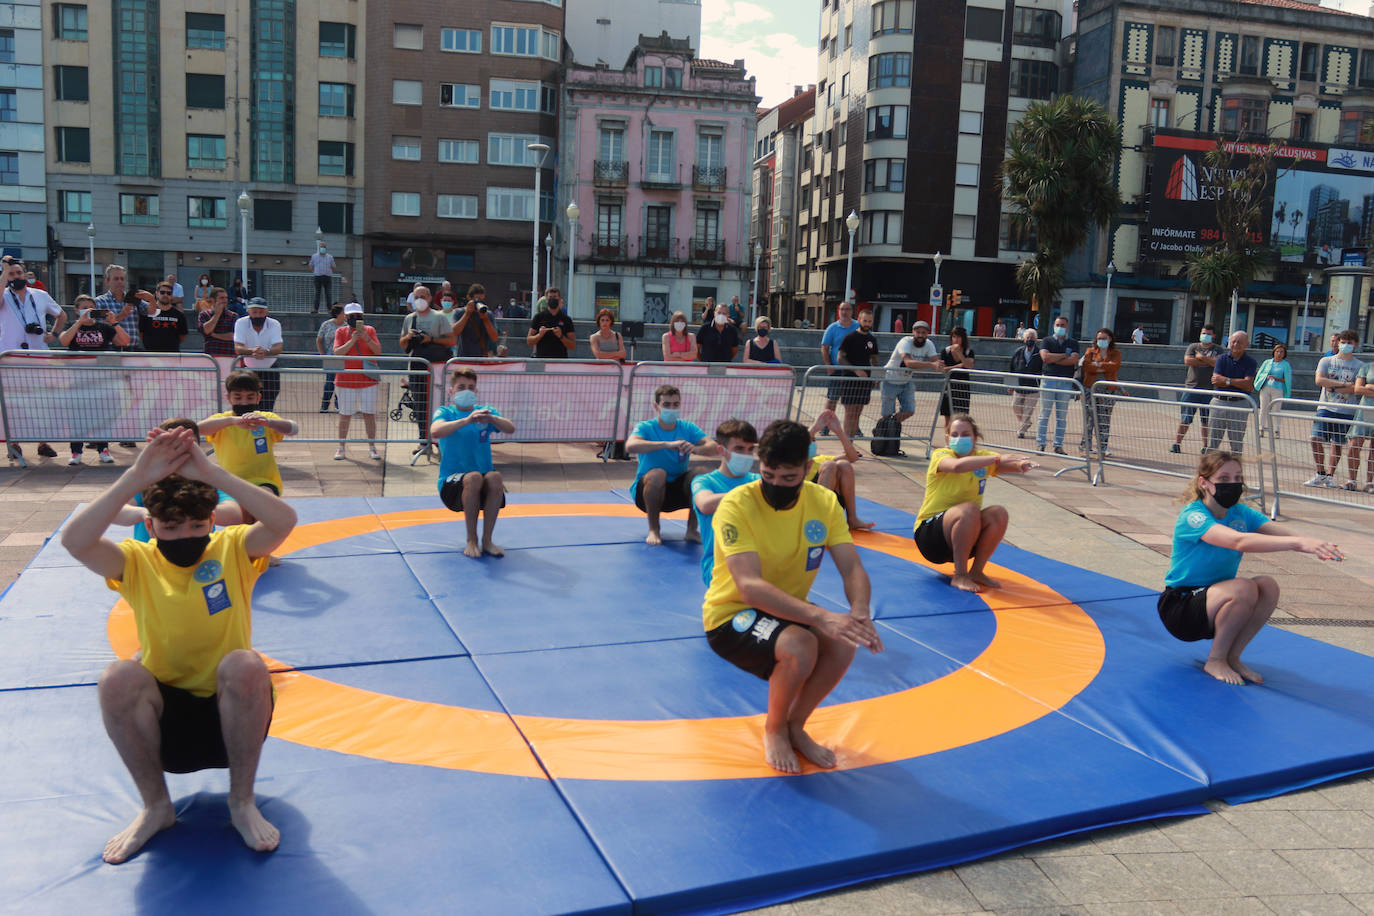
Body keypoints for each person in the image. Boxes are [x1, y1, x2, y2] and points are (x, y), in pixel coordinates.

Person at [60, 424, 297, 864]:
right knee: (117, 676)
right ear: (150, 526)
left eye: (196, 524)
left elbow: (284, 520)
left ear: (212, 521)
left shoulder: (232, 548)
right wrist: (136, 477)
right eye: (170, 527)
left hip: (232, 717)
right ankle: (156, 807)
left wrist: (213, 474)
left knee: (246, 664)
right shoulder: (136, 560)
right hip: (165, 723)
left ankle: (241, 802)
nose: (185, 534)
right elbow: (74, 541)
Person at [701, 418, 884, 774]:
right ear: (760, 464)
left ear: (808, 468)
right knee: (802, 644)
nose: (776, 486)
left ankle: (795, 725)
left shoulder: (824, 502)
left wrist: (859, 611)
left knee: (843, 640)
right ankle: (774, 729)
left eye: (788, 478)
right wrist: (820, 616)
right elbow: (748, 586)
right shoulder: (737, 504)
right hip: (732, 614)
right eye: (768, 476)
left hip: (787, 609)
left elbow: (851, 567)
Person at [1159, 451, 1342, 685]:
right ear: (1204, 483)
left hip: (1215, 601)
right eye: (1223, 479)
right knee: (1244, 588)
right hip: (1180, 607)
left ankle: (1232, 657)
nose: (1232, 484)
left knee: (1267, 586)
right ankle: (1215, 660)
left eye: (1237, 478)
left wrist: (1314, 544)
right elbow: (1238, 541)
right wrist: (1298, 543)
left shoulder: (1241, 512)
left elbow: (1281, 533)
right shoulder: (1194, 516)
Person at [914, 413, 1038, 593]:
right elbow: (958, 466)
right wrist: (997, 458)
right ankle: (960, 575)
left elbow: (1008, 464)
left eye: (965, 434)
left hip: (963, 535)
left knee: (998, 513)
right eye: (955, 435)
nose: (959, 438)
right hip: (931, 538)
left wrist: (1022, 465)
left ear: (975, 438)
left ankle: (976, 571)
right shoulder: (941, 455)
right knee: (970, 509)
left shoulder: (983, 458)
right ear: (947, 438)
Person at [432, 367, 516, 557]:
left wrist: (492, 418)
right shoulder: (446, 412)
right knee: (474, 477)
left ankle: (487, 540)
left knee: (494, 477)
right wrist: (466, 421)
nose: (467, 391)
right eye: (461, 387)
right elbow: (435, 431)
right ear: (451, 391)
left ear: (476, 391)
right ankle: (471, 539)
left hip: (482, 480)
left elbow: (510, 428)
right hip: (452, 483)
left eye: (471, 387)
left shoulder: (485, 412)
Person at [625, 384, 715, 545]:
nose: (671, 409)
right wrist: (666, 444)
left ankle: (692, 530)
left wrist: (696, 449)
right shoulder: (645, 427)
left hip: (677, 490)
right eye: (666, 405)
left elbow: (713, 447)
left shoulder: (687, 427)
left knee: (702, 473)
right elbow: (630, 446)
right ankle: (654, 529)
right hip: (648, 491)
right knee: (658, 473)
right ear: (656, 406)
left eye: (675, 404)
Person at [199, 369, 299, 503]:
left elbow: (293, 428)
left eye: (250, 397)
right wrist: (231, 421)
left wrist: (268, 423)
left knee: (263, 502)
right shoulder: (221, 421)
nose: (244, 403)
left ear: (258, 398)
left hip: (264, 482)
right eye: (238, 397)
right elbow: (198, 429)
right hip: (231, 484)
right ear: (228, 398)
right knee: (232, 513)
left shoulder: (266, 418)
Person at [1, 259, 65, 459]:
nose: (16, 276)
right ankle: (14, 444)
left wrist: (53, 335)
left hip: (38, 355)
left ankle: (43, 442)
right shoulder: (3, 295)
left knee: (42, 402)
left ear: (25, 274)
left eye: (18, 272)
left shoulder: (40, 295)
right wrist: (4, 272)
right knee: (12, 404)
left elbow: (61, 315)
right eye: (11, 274)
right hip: (10, 358)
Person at [58, 295, 130, 465]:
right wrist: (79, 323)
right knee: (77, 417)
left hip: (101, 381)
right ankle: (76, 453)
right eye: (84, 308)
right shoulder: (72, 327)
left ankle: (103, 449)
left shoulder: (104, 328)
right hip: (77, 381)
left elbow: (125, 341)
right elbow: (63, 340)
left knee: (101, 416)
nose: (88, 311)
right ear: (77, 310)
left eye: (92, 308)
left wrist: (114, 322)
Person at [691, 419, 760, 585]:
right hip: (720, 569)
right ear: (722, 450)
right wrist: (752, 492)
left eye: (750, 449)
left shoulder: (757, 480)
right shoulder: (705, 481)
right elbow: (705, 504)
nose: (746, 455)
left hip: (759, 564)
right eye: (739, 449)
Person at [401, 286, 456, 456]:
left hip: (438, 367)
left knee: (439, 403)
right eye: (416, 296)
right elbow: (403, 344)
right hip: (418, 366)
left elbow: (452, 340)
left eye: (423, 296)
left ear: (430, 298)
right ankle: (423, 441)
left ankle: (440, 441)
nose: (420, 299)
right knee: (420, 404)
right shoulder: (409, 318)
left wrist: (430, 339)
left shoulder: (439, 317)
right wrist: (409, 337)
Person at [1307, 328, 1365, 487]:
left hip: (1347, 410)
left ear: (1355, 345)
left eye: (1349, 343)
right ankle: (1320, 472)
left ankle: (1331, 475)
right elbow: (1320, 381)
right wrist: (1343, 384)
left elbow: (1356, 388)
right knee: (1315, 438)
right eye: (1343, 342)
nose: (1345, 345)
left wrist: (1332, 386)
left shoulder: (1360, 365)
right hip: (1326, 407)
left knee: (1337, 444)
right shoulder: (1326, 361)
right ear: (1338, 343)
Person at [807, 408, 873, 530]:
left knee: (844, 464)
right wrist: (814, 428)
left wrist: (839, 431)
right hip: (806, 507)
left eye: (813, 440)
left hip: (829, 503)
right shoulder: (791, 462)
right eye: (808, 440)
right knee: (830, 465)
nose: (811, 443)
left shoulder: (820, 460)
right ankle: (818, 520)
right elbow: (792, 446)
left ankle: (852, 519)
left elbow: (853, 457)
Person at [332, 303, 382, 461]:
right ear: (346, 317)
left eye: (358, 316)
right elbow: (337, 352)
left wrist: (366, 338)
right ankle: (341, 447)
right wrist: (353, 340)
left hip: (368, 379)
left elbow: (378, 351)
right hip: (346, 380)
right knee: (345, 415)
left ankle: (372, 447)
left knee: (369, 414)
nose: (355, 319)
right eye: (352, 316)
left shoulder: (370, 330)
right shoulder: (340, 331)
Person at [880, 319, 940, 436]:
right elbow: (908, 362)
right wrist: (932, 365)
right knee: (886, 414)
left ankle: (891, 425)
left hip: (906, 382)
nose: (920, 335)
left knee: (909, 411)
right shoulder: (905, 342)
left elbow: (936, 362)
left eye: (923, 333)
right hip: (890, 380)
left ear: (927, 333)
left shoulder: (929, 344)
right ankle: (884, 431)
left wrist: (953, 366)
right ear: (913, 332)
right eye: (918, 332)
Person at [1206, 331, 1257, 456]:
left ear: (1247, 344)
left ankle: (1235, 470)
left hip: (1239, 404)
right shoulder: (1221, 359)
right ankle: (1208, 471)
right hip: (1219, 402)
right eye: (1233, 341)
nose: (1235, 344)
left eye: (1239, 342)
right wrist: (1237, 382)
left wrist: (1226, 380)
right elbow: (1216, 381)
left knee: (1236, 443)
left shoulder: (1251, 362)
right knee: (1212, 441)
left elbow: (1248, 385)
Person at [1172, 325, 1220, 455]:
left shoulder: (1218, 349)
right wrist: (1208, 361)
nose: (1205, 335)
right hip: (1192, 388)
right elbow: (1188, 361)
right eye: (1203, 333)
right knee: (1185, 418)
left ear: (1213, 335)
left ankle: (1205, 445)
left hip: (1209, 390)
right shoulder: (1193, 347)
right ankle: (1177, 443)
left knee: (1206, 420)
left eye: (1208, 334)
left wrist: (1201, 358)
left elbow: (1217, 363)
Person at [1034, 316, 1077, 455]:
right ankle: (1040, 443)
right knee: (1044, 413)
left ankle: (1058, 445)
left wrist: (1054, 358)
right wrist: (1064, 355)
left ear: (1068, 327)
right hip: (1048, 380)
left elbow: (1073, 361)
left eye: (1063, 325)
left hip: (1065, 381)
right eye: (1058, 324)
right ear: (1053, 326)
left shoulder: (1073, 342)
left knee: (1061, 416)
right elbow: (1045, 358)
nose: (1060, 327)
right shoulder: (1047, 340)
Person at [232, 298, 282, 412]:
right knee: (247, 403)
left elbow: (278, 347)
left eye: (261, 312)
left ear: (267, 312)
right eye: (254, 312)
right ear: (248, 312)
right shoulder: (241, 323)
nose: (258, 315)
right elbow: (238, 347)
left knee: (268, 404)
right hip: (249, 370)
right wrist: (252, 351)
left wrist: (266, 352)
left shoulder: (274, 324)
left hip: (270, 369)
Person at [835, 307, 879, 439]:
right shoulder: (850, 337)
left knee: (857, 413)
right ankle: (847, 445)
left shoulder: (872, 339)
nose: (867, 324)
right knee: (849, 413)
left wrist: (877, 375)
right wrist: (855, 370)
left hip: (865, 382)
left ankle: (851, 444)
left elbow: (874, 359)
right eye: (865, 320)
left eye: (869, 321)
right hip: (849, 380)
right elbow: (840, 358)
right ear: (859, 320)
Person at [1080, 327, 1121, 457]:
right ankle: (1085, 445)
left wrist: (1097, 365)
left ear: (1110, 339)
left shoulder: (1115, 353)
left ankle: (1103, 447)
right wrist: (1104, 366)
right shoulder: (1090, 351)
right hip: (1090, 389)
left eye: (1104, 338)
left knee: (1104, 419)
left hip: (1107, 390)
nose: (1101, 341)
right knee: (1089, 418)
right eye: (1099, 338)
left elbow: (1115, 366)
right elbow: (1086, 366)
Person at [938, 326, 977, 439]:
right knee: (947, 418)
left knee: (962, 419)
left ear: (963, 338)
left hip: (962, 387)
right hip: (948, 386)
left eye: (958, 337)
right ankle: (947, 442)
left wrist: (960, 354)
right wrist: (959, 366)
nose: (956, 339)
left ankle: (960, 441)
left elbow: (969, 365)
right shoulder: (945, 351)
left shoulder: (969, 351)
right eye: (954, 336)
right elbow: (943, 369)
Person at [819, 302, 857, 415]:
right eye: (842, 309)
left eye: (847, 309)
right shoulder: (832, 328)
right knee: (832, 400)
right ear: (839, 311)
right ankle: (826, 425)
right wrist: (829, 366)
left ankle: (853, 427)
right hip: (836, 369)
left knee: (851, 402)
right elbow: (824, 348)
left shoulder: (858, 327)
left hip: (853, 370)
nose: (844, 312)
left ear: (852, 311)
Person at [198, 286, 241, 379]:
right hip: (211, 358)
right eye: (221, 298)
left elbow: (233, 336)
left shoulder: (233, 316)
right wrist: (217, 314)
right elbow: (206, 330)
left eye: (226, 298)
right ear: (213, 300)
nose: (225, 300)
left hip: (230, 357)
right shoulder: (204, 315)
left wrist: (213, 335)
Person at [1008, 328, 1041, 439]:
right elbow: (1011, 368)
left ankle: (1021, 431)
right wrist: (1010, 385)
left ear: (1036, 340)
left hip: (1033, 388)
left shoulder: (1039, 354)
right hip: (1019, 386)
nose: (1029, 340)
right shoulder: (1018, 352)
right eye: (1027, 338)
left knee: (1028, 410)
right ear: (1024, 339)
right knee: (1015, 406)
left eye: (1032, 338)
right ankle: (1026, 423)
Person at [1347, 357, 1374, 492]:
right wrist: (1366, 387)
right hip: (1365, 410)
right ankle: (1352, 480)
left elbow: (1364, 387)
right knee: (1355, 444)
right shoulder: (1367, 367)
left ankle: (1369, 482)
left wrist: (1369, 386)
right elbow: (1357, 389)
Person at [139, 280, 188, 353]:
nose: (165, 295)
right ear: (156, 294)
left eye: (169, 293)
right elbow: (141, 334)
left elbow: (182, 337)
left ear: (172, 296)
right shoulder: (146, 313)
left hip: (172, 356)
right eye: (162, 292)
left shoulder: (179, 315)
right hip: (151, 355)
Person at [526, 287, 575, 358]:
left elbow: (572, 345)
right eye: (550, 297)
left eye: (555, 297)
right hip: (541, 361)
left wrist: (561, 336)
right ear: (546, 299)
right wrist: (539, 335)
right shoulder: (538, 317)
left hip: (560, 361)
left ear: (560, 299)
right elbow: (529, 342)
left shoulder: (566, 319)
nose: (552, 299)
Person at [314, 304, 346, 412]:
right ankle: (325, 405)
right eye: (343, 313)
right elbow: (319, 340)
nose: (345, 315)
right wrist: (322, 354)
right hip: (331, 357)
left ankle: (338, 405)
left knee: (341, 382)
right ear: (337, 314)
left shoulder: (346, 326)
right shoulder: (326, 325)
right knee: (330, 382)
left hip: (343, 357)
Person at [454, 283, 498, 358]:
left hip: (482, 358)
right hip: (463, 358)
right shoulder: (459, 312)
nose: (478, 302)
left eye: (481, 300)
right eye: (476, 300)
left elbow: (494, 338)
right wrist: (467, 314)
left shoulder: (488, 314)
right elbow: (454, 332)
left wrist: (485, 319)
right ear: (469, 298)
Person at [310, 242, 335, 314]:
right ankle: (315, 309)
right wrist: (315, 272)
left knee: (328, 293)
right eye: (321, 247)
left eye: (324, 247)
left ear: (326, 248)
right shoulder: (314, 256)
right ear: (319, 248)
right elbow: (311, 265)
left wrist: (329, 272)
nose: (322, 249)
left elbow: (333, 266)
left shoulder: (330, 257)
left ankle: (330, 309)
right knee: (317, 293)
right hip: (318, 276)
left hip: (327, 276)